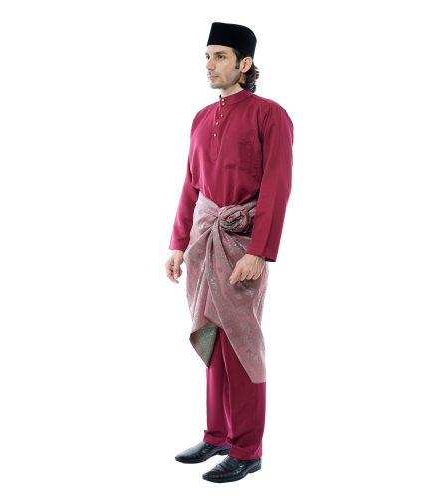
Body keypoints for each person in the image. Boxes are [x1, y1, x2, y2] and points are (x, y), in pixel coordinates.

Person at [165, 21, 294, 483]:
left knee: (241, 344)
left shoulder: (270, 115)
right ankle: (217, 435)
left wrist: (259, 251)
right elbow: (191, 186)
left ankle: (247, 449)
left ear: (245, 63)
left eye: (220, 56)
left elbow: (277, 187)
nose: (210, 65)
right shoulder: (201, 117)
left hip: (242, 243)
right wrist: (178, 243)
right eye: (207, 56)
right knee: (211, 338)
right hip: (203, 241)